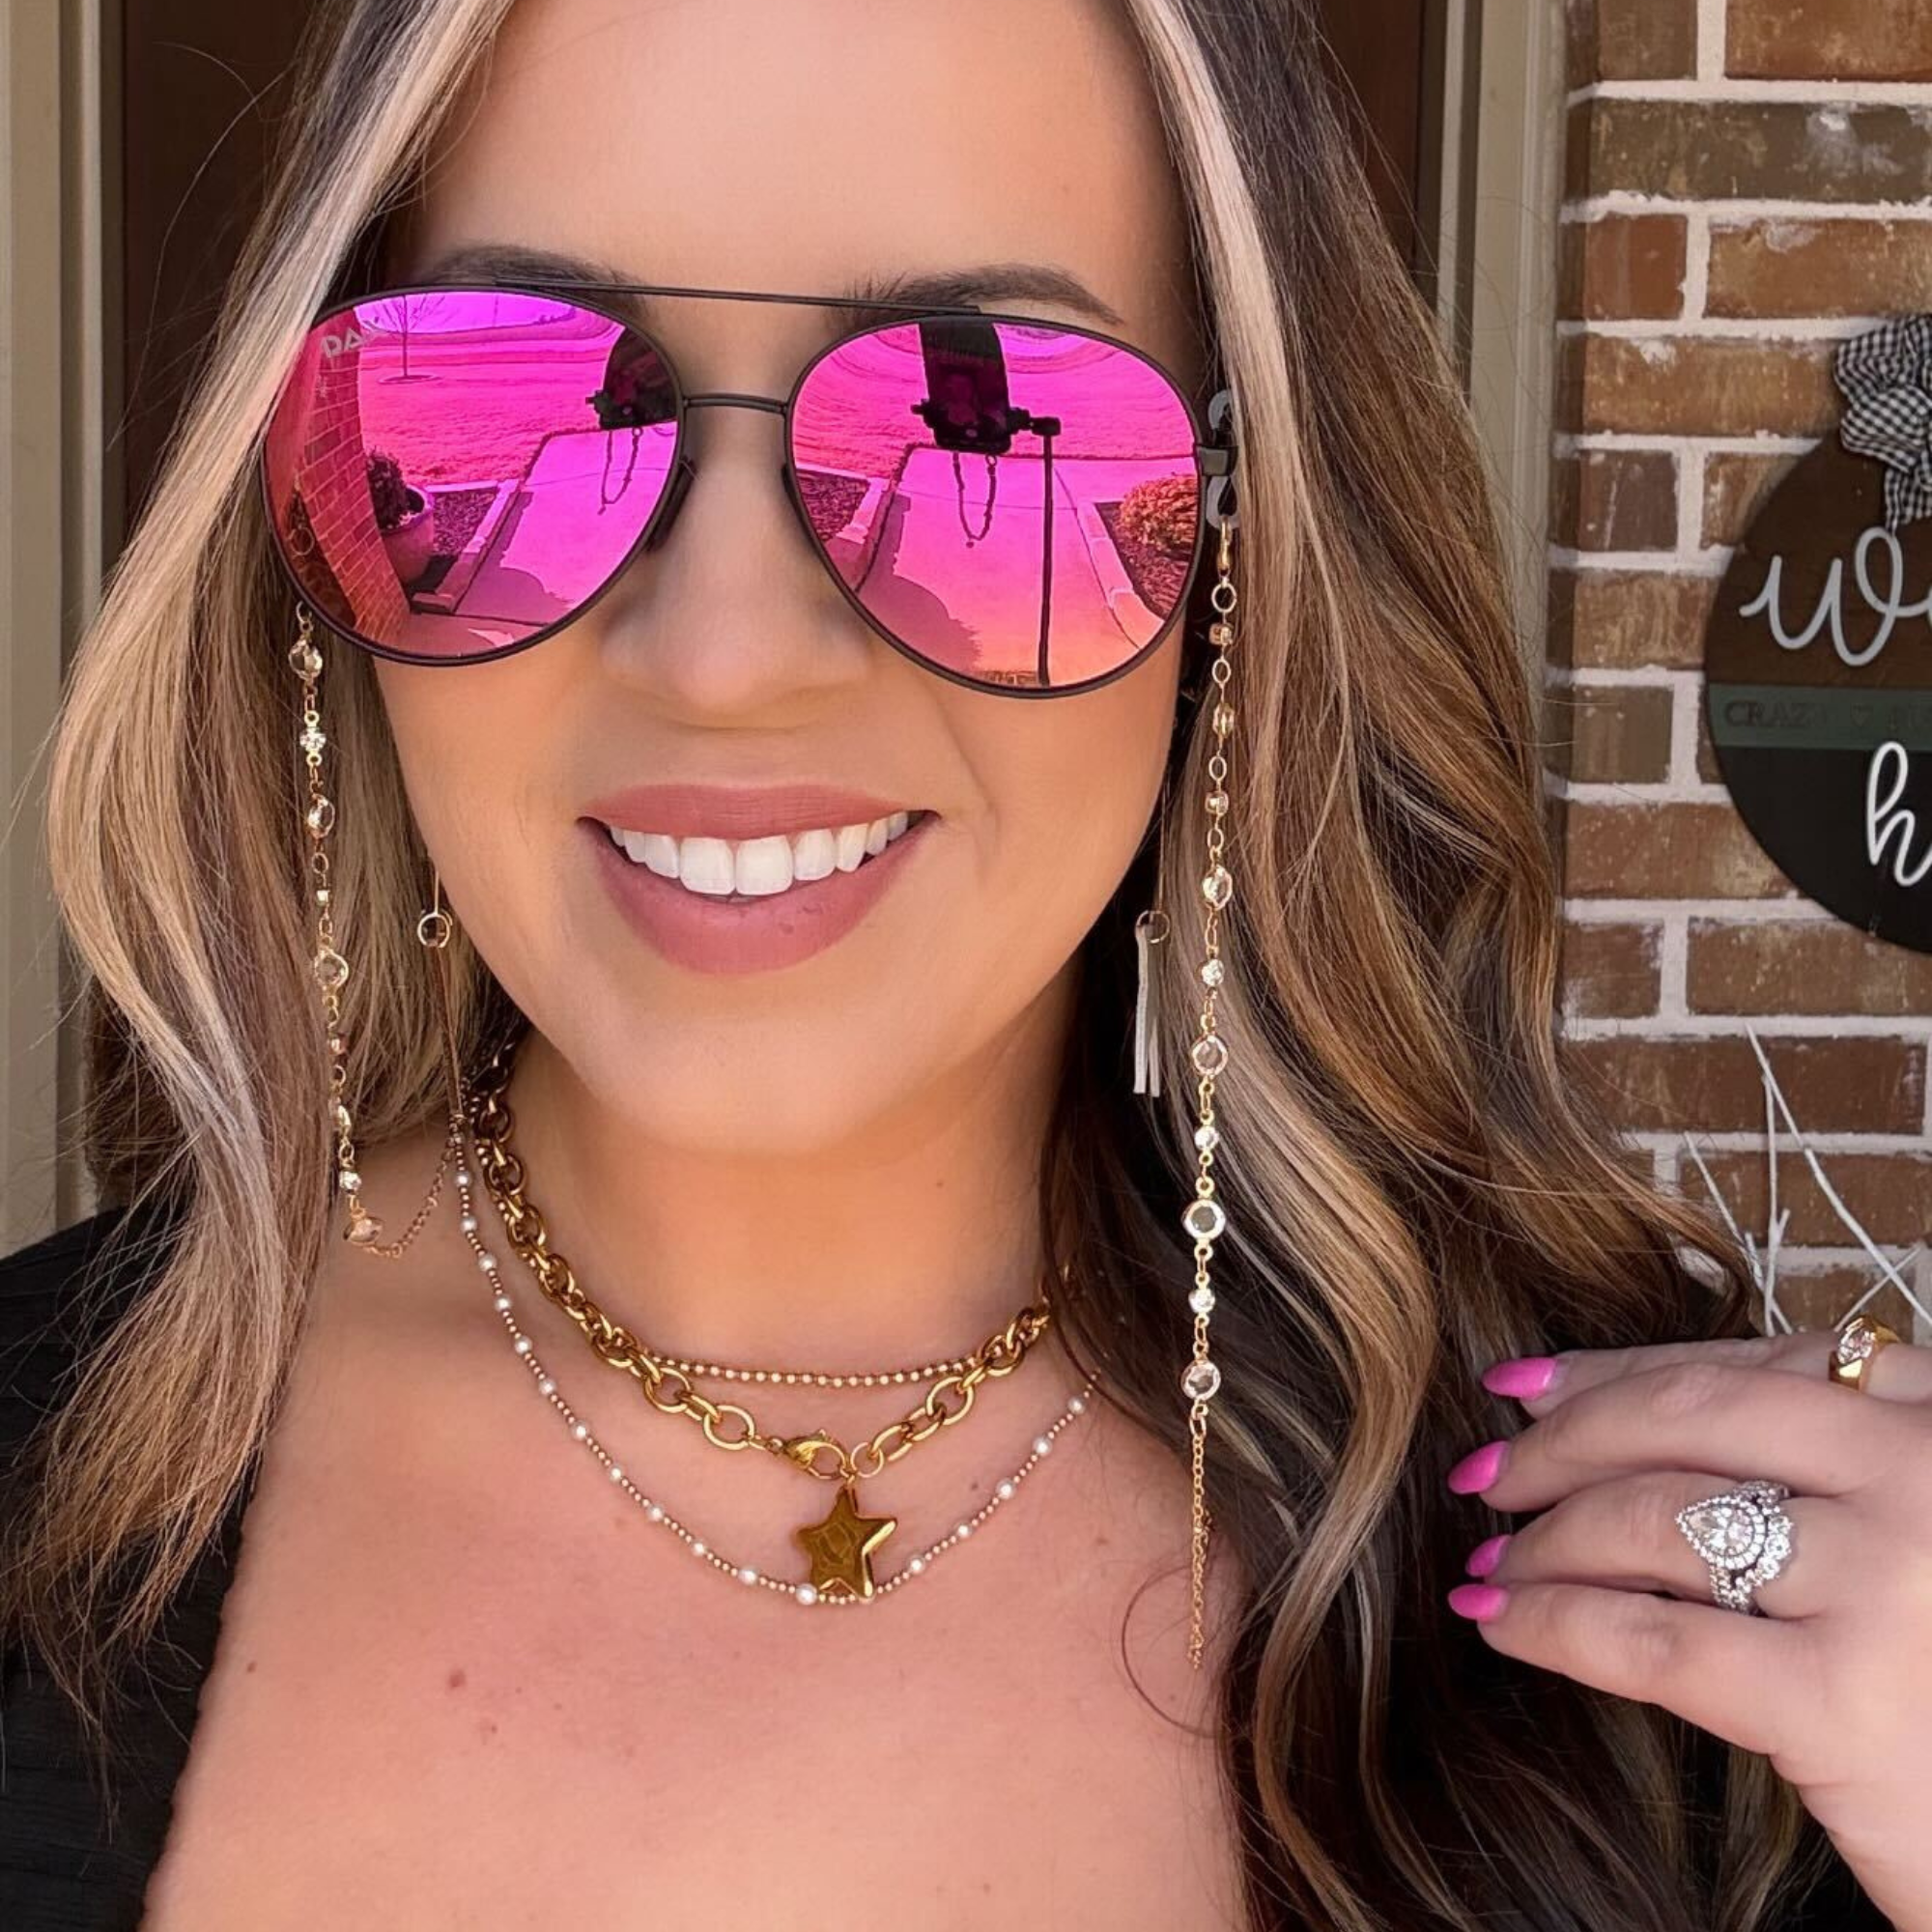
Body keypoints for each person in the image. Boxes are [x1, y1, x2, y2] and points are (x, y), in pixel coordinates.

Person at [0, 0, 1918, 1925]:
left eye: (989, 429)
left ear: (1240, 566)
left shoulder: (1657, 1634)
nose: (725, 650)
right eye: (510, 407)